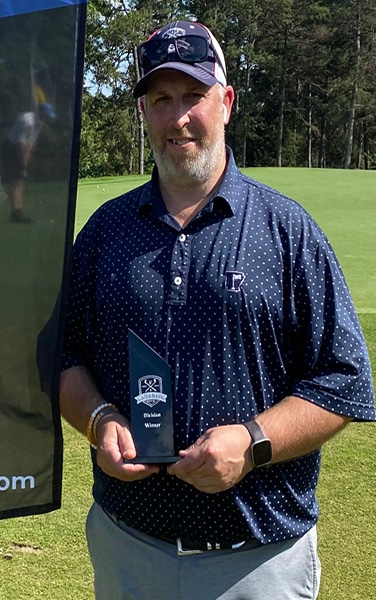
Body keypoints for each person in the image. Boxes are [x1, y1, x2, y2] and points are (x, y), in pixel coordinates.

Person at [59, 20, 375, 600]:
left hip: (259, 560)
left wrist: (254, 442)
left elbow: (345, 381)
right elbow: (65, 356)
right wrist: (99, 421)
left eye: (193, 96)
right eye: (161, 100)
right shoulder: (105, 231)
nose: (178, 117)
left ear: (225, 103)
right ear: (144, 114)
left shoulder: (287, 231)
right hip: (130, 549)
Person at [0, 98, 55, 223]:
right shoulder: (27, 121)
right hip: (11, 148)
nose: (47, 118)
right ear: (41, 113)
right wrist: (23, 165)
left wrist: (26, 164)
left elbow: (30, 144)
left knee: (20, 180)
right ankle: (15, 213)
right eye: (46, 115)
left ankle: (17, 212)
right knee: (16, 180)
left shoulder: (39, 123)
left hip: (19, 147)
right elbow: (21, 144)